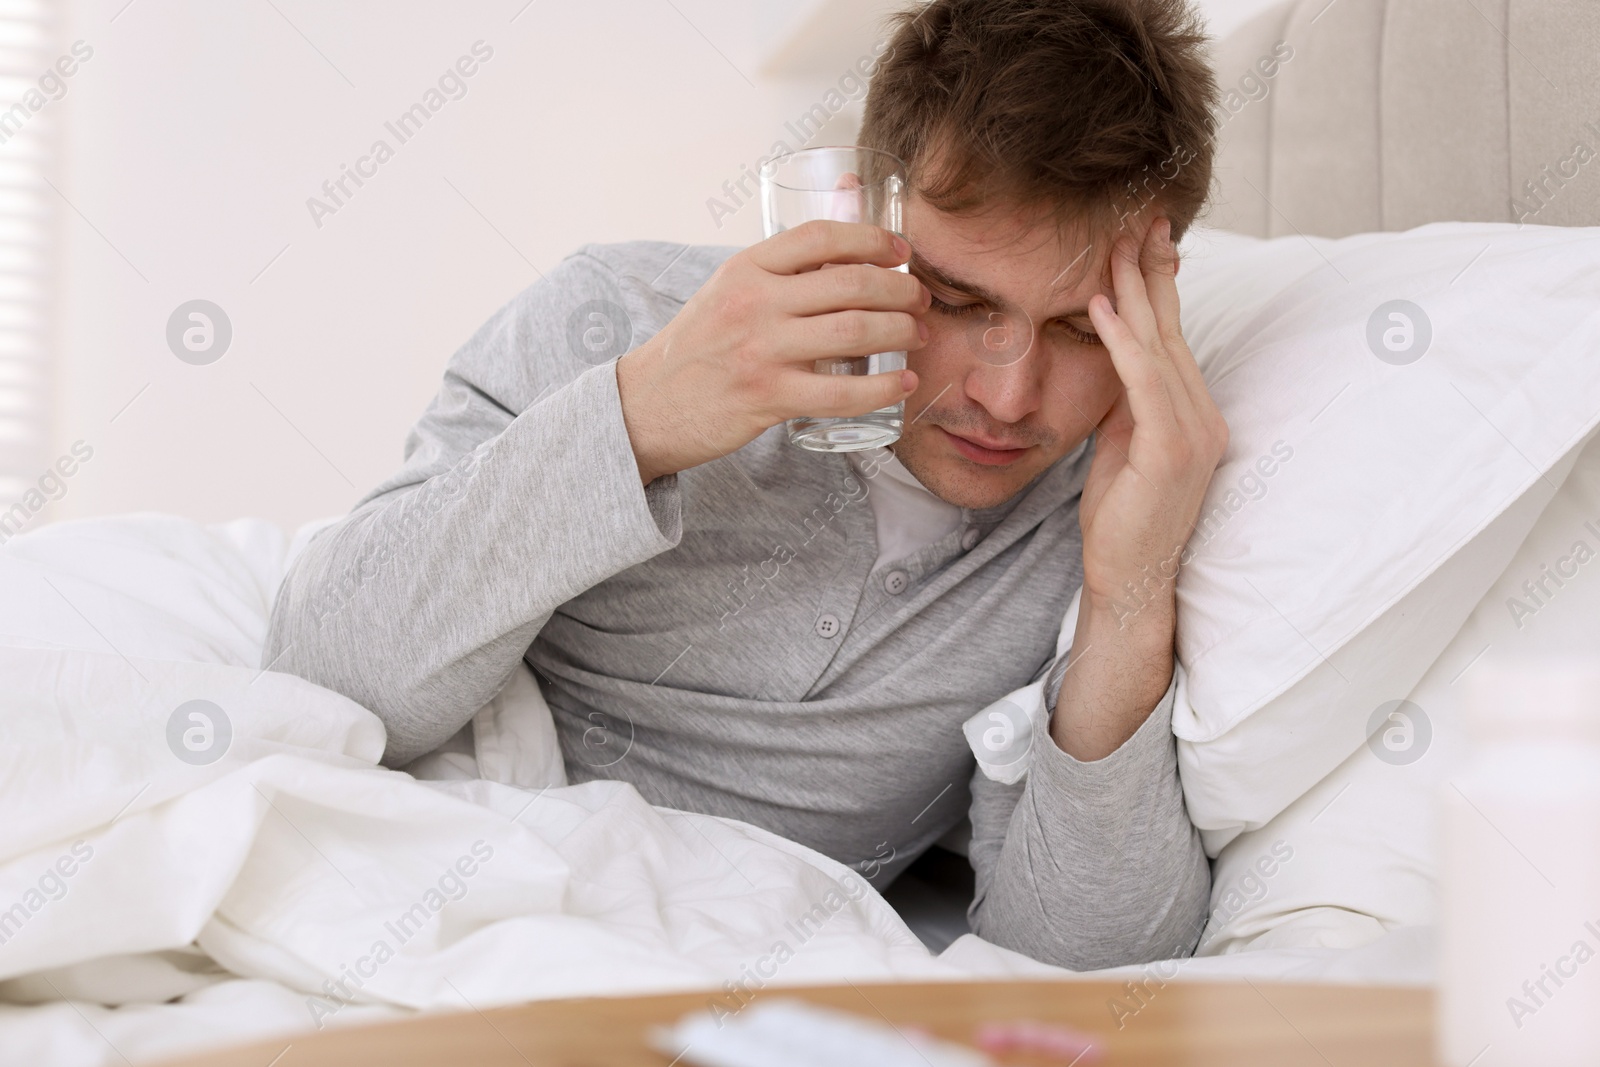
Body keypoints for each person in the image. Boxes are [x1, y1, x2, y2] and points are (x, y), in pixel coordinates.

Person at [264, 0, 1227, 971]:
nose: (1008, 397)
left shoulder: (1122, 498)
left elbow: (1084, 966)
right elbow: (321, 678)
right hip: (404, 899)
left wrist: (1126, 598)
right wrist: (641, 418)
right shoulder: (614, 314)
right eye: (954, 300)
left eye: (1077, 329)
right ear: (863, 220)